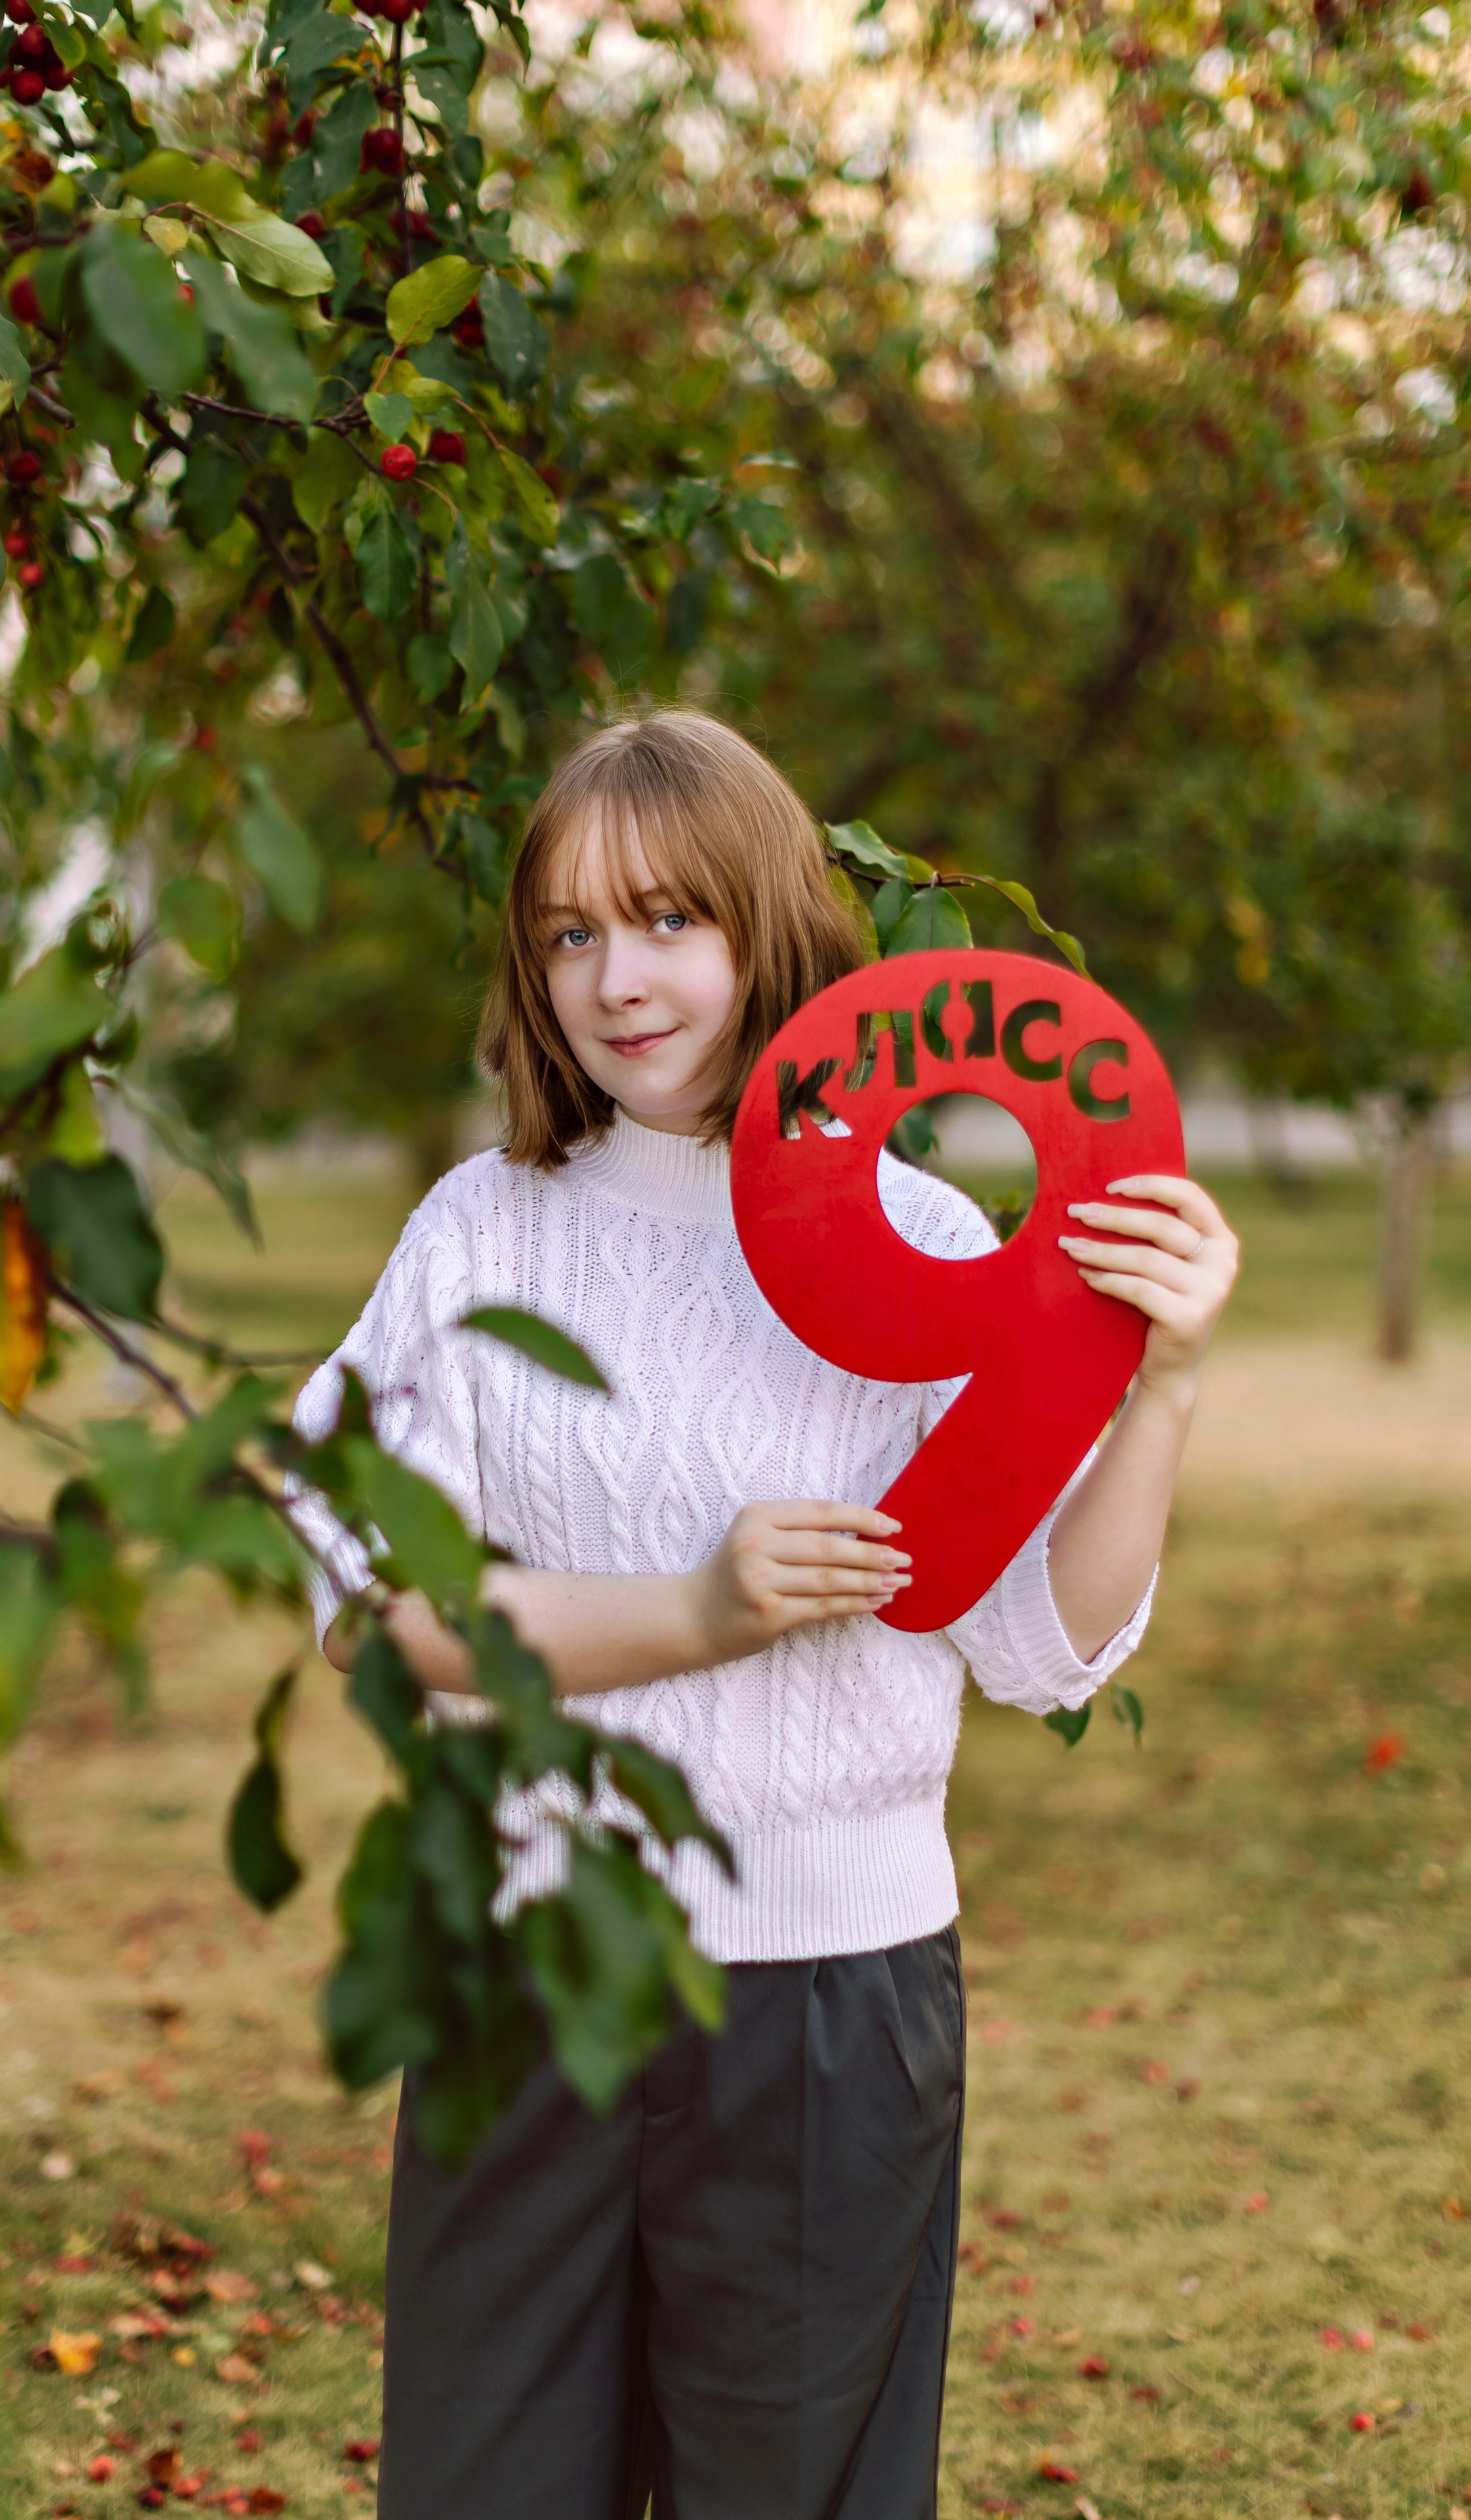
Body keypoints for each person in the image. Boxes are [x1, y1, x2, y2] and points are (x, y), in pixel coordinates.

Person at [292, 709, 1239, 2520]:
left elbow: (1040, 1643)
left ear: (770, 926)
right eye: (568, 934)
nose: (615, 980)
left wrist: (1167, 1383)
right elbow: (376, 1601)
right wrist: (695, 1610)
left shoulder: (934, 1240)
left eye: (666, 920)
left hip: (831, 2006)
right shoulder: (487, 1233)